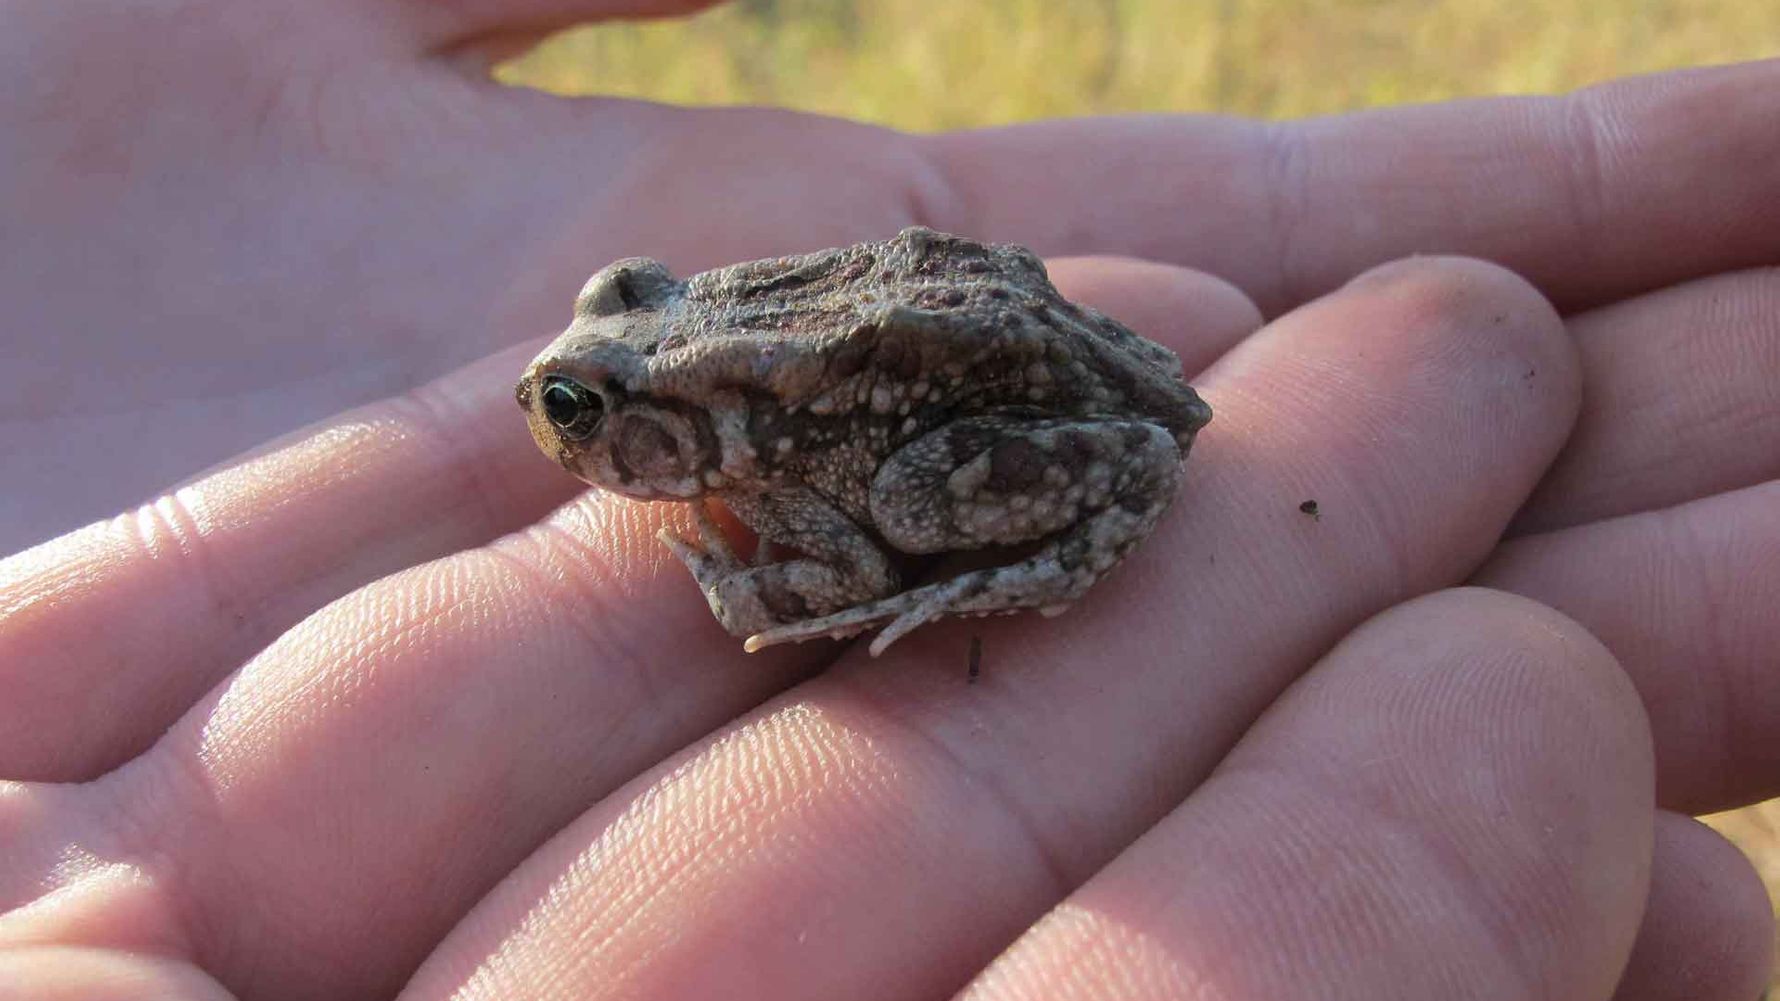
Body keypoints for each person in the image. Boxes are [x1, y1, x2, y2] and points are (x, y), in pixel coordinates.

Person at [1, 2, 1775, 997]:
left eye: (591, 413)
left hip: (982, 392)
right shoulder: (720, 417)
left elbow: (804, 581)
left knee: (905, 530)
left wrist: (776, 568)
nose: (569, 428)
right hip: (1004, 330)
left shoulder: (758, 480)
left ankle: (1017, 554)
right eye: (586, 394)